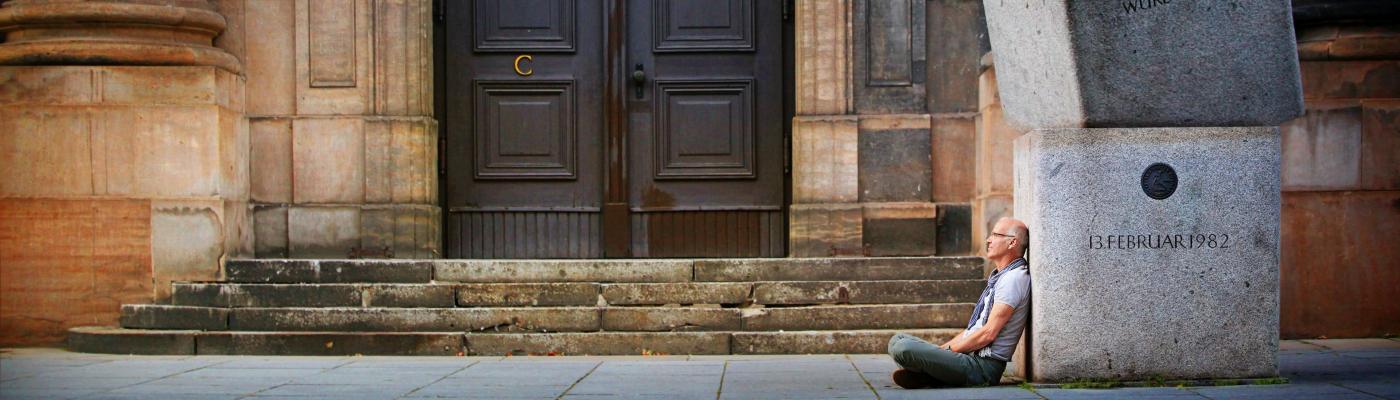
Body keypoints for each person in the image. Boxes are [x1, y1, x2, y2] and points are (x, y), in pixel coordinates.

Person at [886, 217, 1031, 389]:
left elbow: (988, 333)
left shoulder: (1013, 279)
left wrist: (942, 354)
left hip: (983, 368)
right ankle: (935, 374)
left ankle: (933, 375)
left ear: (1012, 242)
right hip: (971, 358)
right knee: (897, 339)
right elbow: (972, 331)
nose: (988, 240)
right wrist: (939, 355)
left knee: (903, 348)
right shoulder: (1002, 277)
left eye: (995, 235)